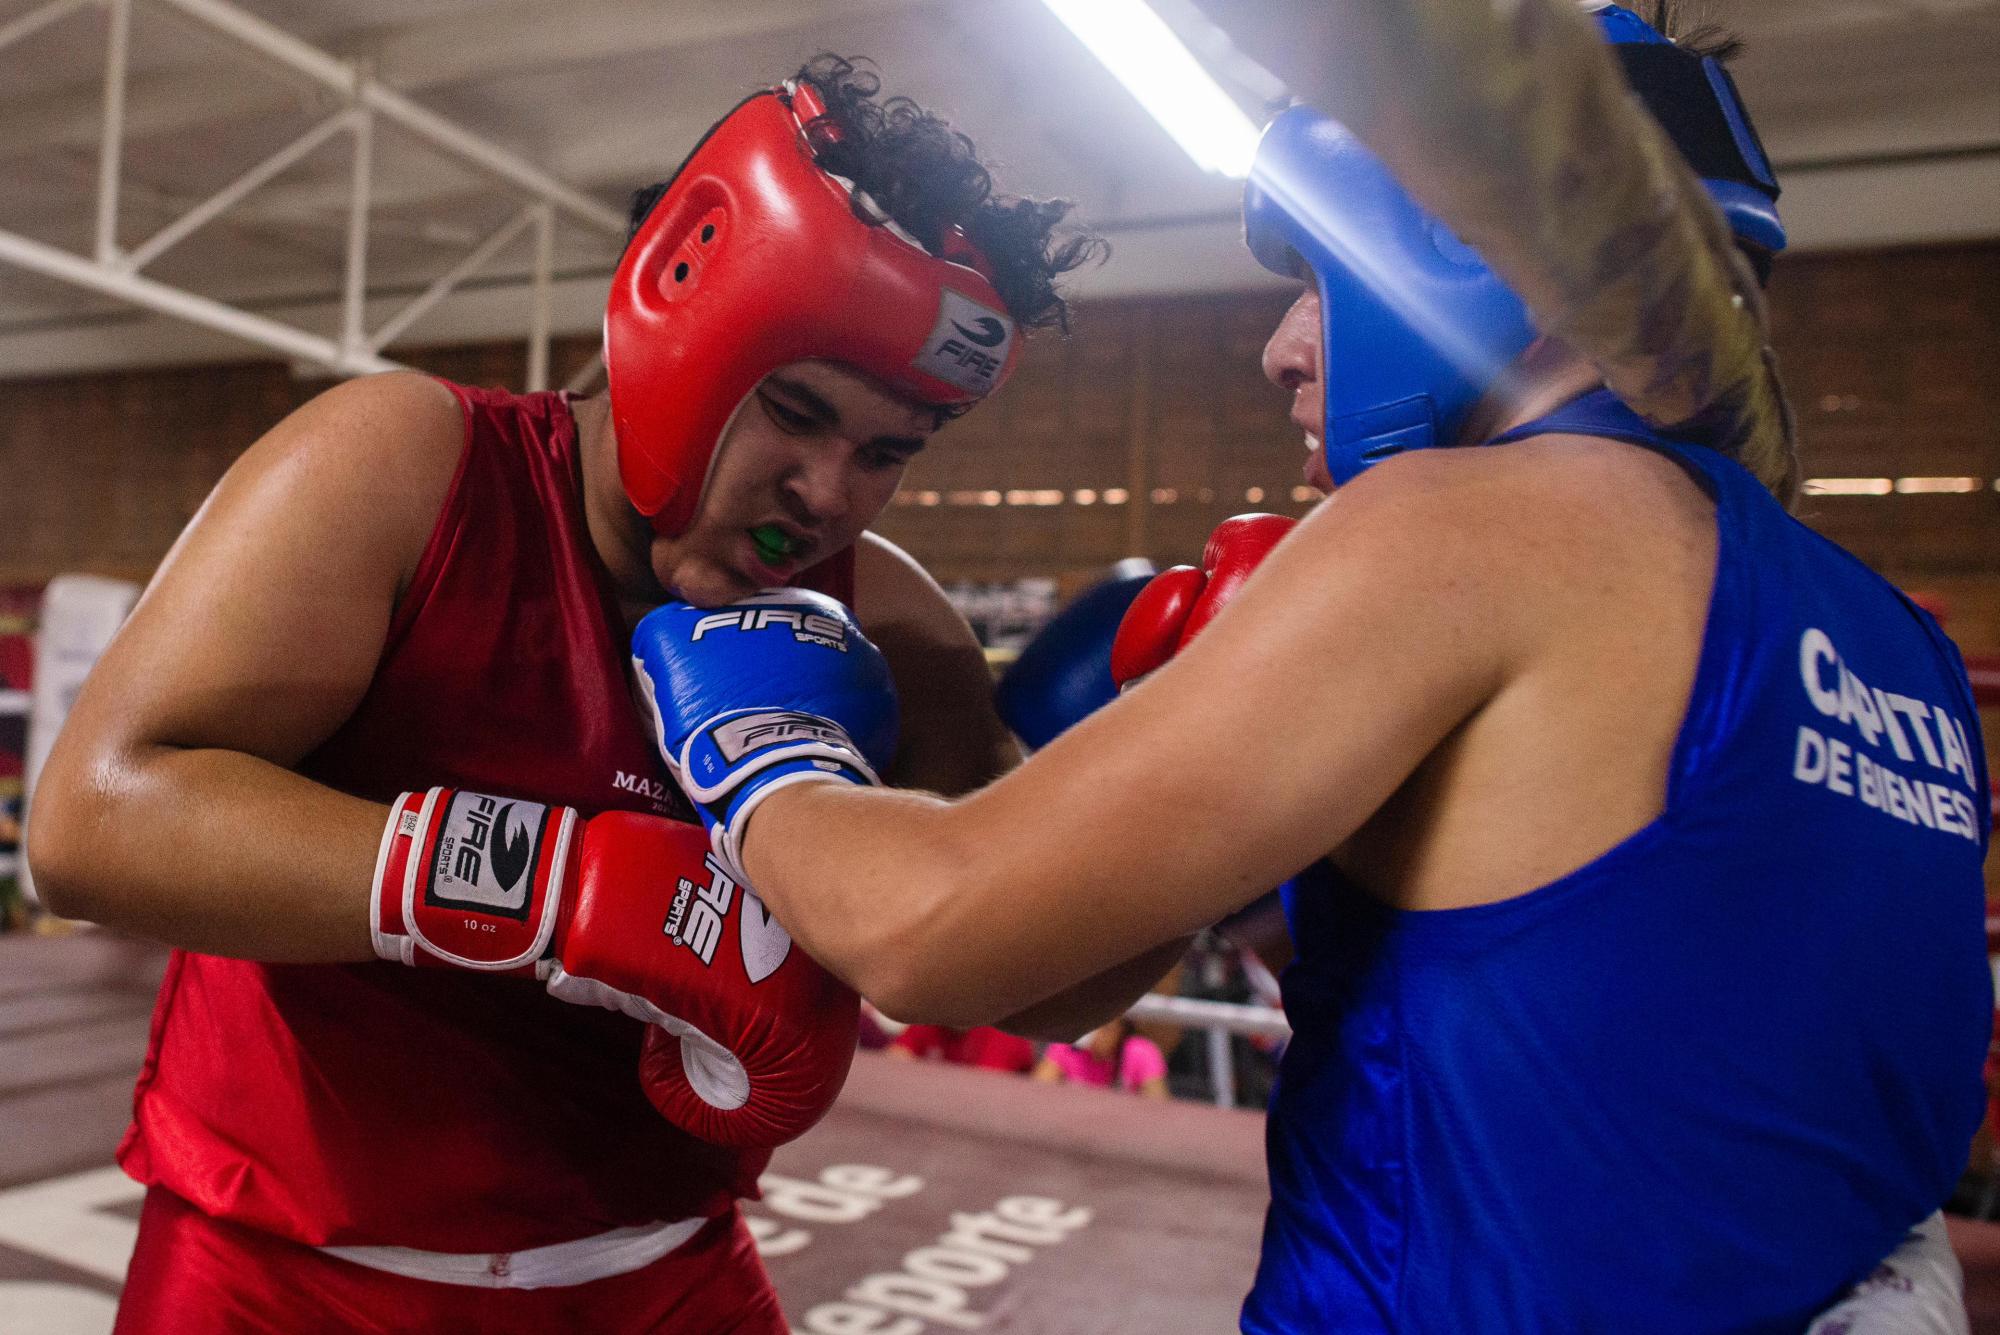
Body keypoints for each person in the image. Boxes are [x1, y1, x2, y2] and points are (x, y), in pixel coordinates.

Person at [627, 7, 1993, 1331]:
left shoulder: (1466, 529)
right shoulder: (1896, 642)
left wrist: (765, 746)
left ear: (1467, 248)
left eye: (1319, 279)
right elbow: (1632, 1039)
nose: (1282, 346)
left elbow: (933, 930)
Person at [24, 57, 1096, 1333]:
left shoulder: (883, 620)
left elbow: (1051, 986)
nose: (826, 492)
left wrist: (1168, 765)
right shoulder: (407, 469)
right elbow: (88, 824)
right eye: (794, 412)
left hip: (656, 1273)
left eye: (885, 453)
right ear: (675, 318)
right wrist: (564, 890)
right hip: (280, 1268)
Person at [1033, 1018, 1170, 1099]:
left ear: (1121, 1030)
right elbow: (1037, 1092)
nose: (1100, 1035)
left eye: (1107, 1029)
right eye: (1095, 1027)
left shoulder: (1141, 1052)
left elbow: (1158, 1106)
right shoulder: (1068, 1047)